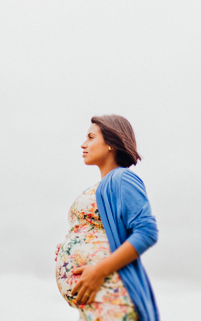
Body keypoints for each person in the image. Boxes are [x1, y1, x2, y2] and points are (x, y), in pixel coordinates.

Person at [55, 115, 160, 321]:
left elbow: (147, 232)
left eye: (91, 137)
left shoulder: (122, 178)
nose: (83, 144)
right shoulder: (102, 186)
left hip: (111, 297)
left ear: (111, 143)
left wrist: (98, 271)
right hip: (94, 302)